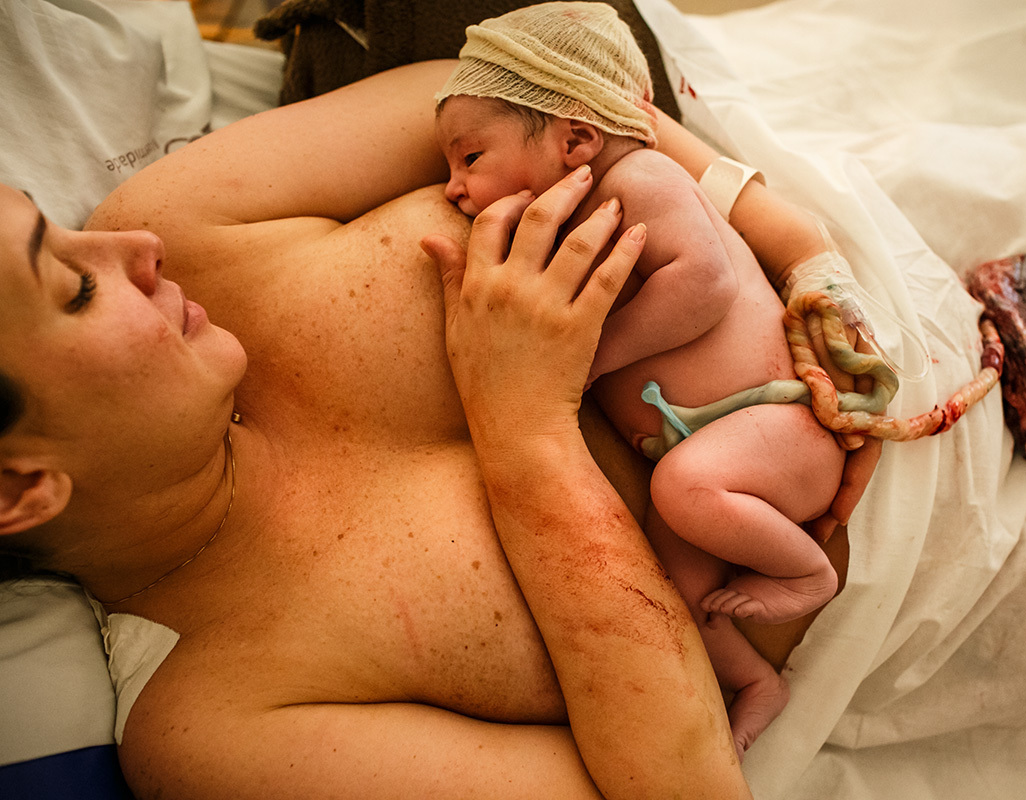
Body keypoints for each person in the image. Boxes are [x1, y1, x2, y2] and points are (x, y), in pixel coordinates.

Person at [0, 39, 878, 800]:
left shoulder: (182, 222)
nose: (132, 249)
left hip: (850, 249)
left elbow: (523, 94)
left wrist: (800, 248)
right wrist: (525, 428)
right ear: (20, 487)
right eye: (73, 288)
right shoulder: (223, 726)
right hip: (907, 595)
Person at [432, 2, 864, 754]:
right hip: (712, 447)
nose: (452, 188)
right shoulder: (568, 219)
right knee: (673, 587)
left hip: (776, 422)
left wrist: (589, 358)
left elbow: (705, 284)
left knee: (681, 489)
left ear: (576, 140)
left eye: (470, 159)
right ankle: (754, 681)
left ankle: (808, 575)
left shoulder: (643, 176)